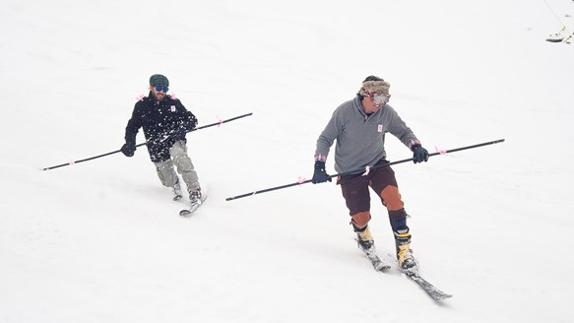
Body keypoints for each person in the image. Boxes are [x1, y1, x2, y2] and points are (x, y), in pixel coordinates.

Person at [312, 75, 429, 272]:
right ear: (365, 94)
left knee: (394, 200)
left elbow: (403, 131)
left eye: (385, 99)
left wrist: (416, 147)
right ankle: (363, 234)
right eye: (377, 99)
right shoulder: (344, 112)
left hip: (376, 164)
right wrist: (319, 166)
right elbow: (325, 139)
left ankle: (404, 250)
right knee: (361, 216)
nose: (381, 104)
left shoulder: (386, 114)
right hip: (350, 170)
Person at [121, 74, 203, 204]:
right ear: (151, 87)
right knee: (167, 180)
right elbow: (132, 127)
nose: (161, 92)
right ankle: (175, 183)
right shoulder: (142, 106)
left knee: (180, 157)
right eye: (158, 88)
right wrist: (130, 143)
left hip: (174, 140)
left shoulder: (174, 103)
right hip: (155, 146)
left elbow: (191, 119)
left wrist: (180, 129)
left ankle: (194, 190)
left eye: (165, 89)